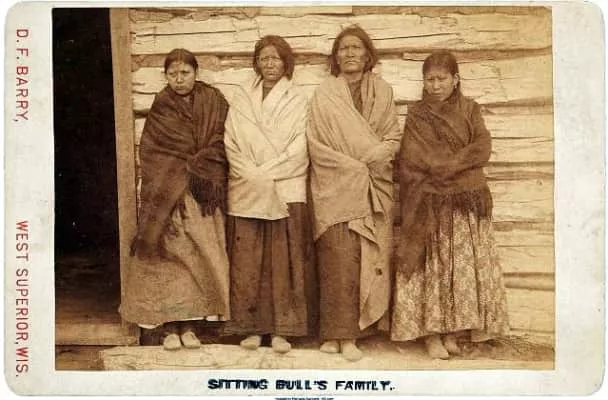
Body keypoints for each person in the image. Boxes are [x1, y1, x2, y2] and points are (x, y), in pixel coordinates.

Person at [391, 50, 509, 359]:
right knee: (433, 267)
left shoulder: (470, 109)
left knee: (457, 269)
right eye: (429, 79)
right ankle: (431, 335)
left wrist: (447, 167)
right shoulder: (417, 115)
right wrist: (453, 169)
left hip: (464, 204)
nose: (435, 85)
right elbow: (414, 157)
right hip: (429, 203)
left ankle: (453, 332)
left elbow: (481, 147)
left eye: (441, 79)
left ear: (455, 79)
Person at [120, 48, 231, 350]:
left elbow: (222, 140)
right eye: (173, 74)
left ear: (196, 73)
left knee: (198, 259)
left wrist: (199, 164)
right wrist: (174, 175)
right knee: (167, 261)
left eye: (185, 73)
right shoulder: (162, 105)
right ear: (166, 76)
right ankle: (169, 328)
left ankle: (191, 326)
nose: (179, 79)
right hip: (166, 197)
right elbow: (152, 150)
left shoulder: (213, 101)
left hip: (200, 194)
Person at [307, 25, 402, 362]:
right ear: (336, 57)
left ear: (367, 54)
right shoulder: (324, 94)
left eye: (356, 47)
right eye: (343, 48)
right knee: (337, 258)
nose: (349, 53)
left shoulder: (383, 91)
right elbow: (316, 143)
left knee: (367, 257)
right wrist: (352, 168)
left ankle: (356, 335)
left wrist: (372, 159)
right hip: (334, 187)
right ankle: (335, 334)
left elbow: (392, 137)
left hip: (374, 186)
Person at [221, 35, 316, 354]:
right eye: (264, 58)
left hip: (283, 187)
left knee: (282, 261)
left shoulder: (298, 99)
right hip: (247, 186)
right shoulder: (242, 98)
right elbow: (231, 141)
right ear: (256, 63)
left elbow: (300, 146)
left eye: (276, 58)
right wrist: (252, 173)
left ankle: (281, 331)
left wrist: (266, 173)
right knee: (249, 261)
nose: (270, 63)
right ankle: (252, 329)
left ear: (286, 62)